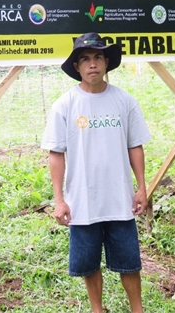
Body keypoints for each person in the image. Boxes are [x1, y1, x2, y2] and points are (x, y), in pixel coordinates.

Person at [42, 32, 152, 313]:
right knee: (89, 263)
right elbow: (56, 154)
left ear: (106, 63)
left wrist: (141, 187)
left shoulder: (124, 101)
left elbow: (135, 146)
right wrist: (59, 199)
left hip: (121, 200)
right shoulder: (64, 105)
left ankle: (137, 309)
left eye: (98, 57)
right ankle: (97, 309)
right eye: (85, 59)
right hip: (82, 201)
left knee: (129, 261)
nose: (92, 64)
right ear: (77, 67)